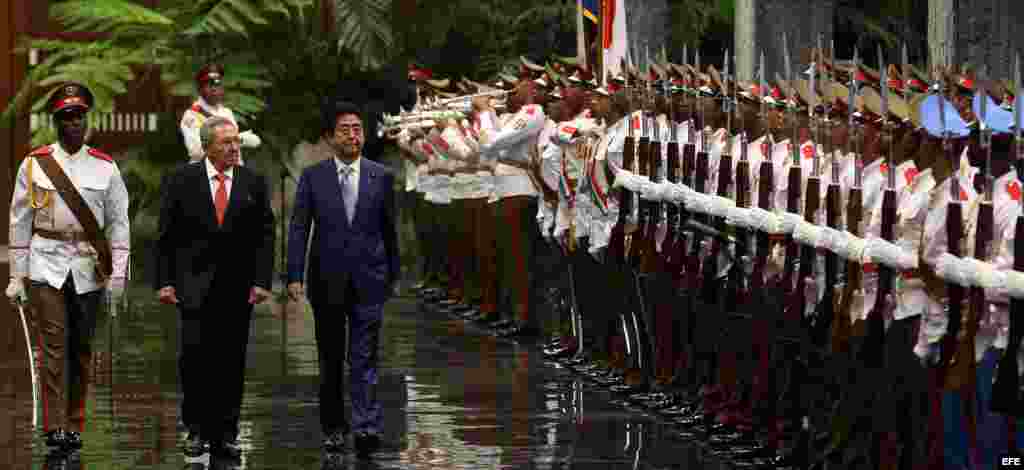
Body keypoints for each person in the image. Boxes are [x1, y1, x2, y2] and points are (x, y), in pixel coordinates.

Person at [6, 83, 131, 456]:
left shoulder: (105, 168)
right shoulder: (34, 164)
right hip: (47, 263)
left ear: (86, 120)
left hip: (88, 267)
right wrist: (17, 275)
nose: (72, 123)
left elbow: (118, 223)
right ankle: (55, 426)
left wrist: (119, 274)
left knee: (81, 348)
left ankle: (76, 423)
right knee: (54, 346)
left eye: (78, 116)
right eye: (65, 117)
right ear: (56, 122)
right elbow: (19, 222)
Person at [155, 116, 275, 460]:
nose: (235, 148)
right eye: (226, 143)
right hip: (193, 285)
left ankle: (226, 432)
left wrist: (262, 281)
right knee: (194, 359)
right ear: (207, 147)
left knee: (231, 360)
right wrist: (164, 281)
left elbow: (266, 235)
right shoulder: (182, 180)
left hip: (238, 288)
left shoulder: (253, 181)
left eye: (237, 141)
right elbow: (167, 235)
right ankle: (196, 429)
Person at [286, 100, 400, 458]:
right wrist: (293, 274)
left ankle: (367, 426)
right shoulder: (314, 177)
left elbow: (389, 230)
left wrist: (392, 274)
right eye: (345, 129)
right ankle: (334, 427)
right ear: (330, 137)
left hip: (370, 279)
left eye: (357, 129)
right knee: (332, 358)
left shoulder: (380, 176)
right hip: (327, 280)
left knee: (365, 356)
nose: (352, 136)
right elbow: (299, 227)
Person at [179, 63, 261, 164]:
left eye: (217, 85)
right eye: (209, 85)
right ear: (199, 89)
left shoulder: (226, 113)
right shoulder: (192, 116)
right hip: (205, 173)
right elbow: (197, 151)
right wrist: (239, 139)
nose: (214, 89)